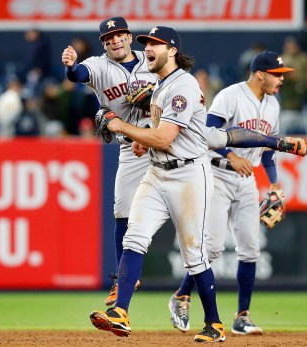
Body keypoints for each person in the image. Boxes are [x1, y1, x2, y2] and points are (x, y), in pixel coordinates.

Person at [89, 25, 226, 342]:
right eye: (146, 43)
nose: (148, 48)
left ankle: (215, 323)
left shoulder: (182, 86)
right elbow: (155, 133)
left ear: (172, 51)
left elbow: (164, 137)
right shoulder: (161, 85)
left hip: (189, 175)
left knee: (194, 255)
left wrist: (121, 125)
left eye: (156, 44)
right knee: (133, 238)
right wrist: (141, 141)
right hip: (156, 172)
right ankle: (120, 312)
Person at [169, 51, 295, 335]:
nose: (282, 79)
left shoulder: (273, 105)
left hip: (246, 180)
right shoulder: (230, 95)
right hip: (217, 174)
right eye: (278, 74)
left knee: (250, 249)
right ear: (260, 73)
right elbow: (207, 133)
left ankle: (242, 316)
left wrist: (274, 184)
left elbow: (267, 151)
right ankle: (181, 295)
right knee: (212, 247)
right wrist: (230, 156)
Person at [61, 16, 155, 307]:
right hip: (130, 148)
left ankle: (186, 293)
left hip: (165, 141)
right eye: (108, 38)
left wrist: (152, 102)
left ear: (129, 36)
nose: (114, 40)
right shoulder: (99, 66)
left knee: (189, 222)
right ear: (103, 44)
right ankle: (123, 280)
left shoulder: (151, 59)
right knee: (122, 213)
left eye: (119, 35)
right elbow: (78, 75)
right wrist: (70, 66)